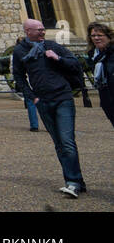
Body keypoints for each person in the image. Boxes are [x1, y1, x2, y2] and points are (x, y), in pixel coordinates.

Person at [13, 18, 85, 198]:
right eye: (39, 30)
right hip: (43, 101)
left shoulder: (52, 46)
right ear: (27, 31)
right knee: (59, 144)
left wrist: (57, 58)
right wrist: (32, 98)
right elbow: (19, 77)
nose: (43, 32)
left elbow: (75, 64)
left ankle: (72, 182)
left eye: (43, 29)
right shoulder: (20, 51)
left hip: (63, 98)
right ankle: (77, 181)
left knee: (67, 141)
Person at [10, 36, 41, 132]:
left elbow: (13, 69)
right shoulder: (35, 50)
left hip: (28, 81)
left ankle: (34, 125)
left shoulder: (15, 54)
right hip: (36, 80)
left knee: (31, 103)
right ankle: (48, 124)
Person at [88, 22, 114, 129]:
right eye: (93, 36)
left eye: (100, 35)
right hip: (107, 98)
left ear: (108, 37)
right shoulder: (93, 55)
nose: (96, 38)